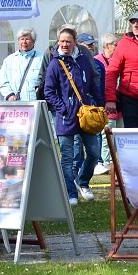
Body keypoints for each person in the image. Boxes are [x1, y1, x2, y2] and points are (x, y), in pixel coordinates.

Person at [44, 27, 102, 205]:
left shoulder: (84, 59)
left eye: (68, 41)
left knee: (93, 153)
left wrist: (100, 105)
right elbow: (49, 91)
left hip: (85, 115)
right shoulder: (55, 63)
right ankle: (71, 194)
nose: (65, 44)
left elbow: (93, 83)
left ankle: (82, 181)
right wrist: (64, 109)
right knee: (67, 158)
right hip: (65, 118)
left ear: (75, 41)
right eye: (61, 41)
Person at [96, 32, 120, 172]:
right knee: (107, 135)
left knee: (119, 134)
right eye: (115, 44)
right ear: (107, 46)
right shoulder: (97, 61)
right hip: (105, 104)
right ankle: (106, 162)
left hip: (120, 104)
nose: (118, 47)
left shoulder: (119, 60)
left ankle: (116, 162)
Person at [0, 27, 43, 101]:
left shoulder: (42, 58)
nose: (24, 42)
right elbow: (2, 80)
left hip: (36, 103)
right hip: (17, 106)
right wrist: (9, 94)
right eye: (22, 39)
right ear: (18, 41)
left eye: (27, 39)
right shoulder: (9, 60)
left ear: (33, 42)